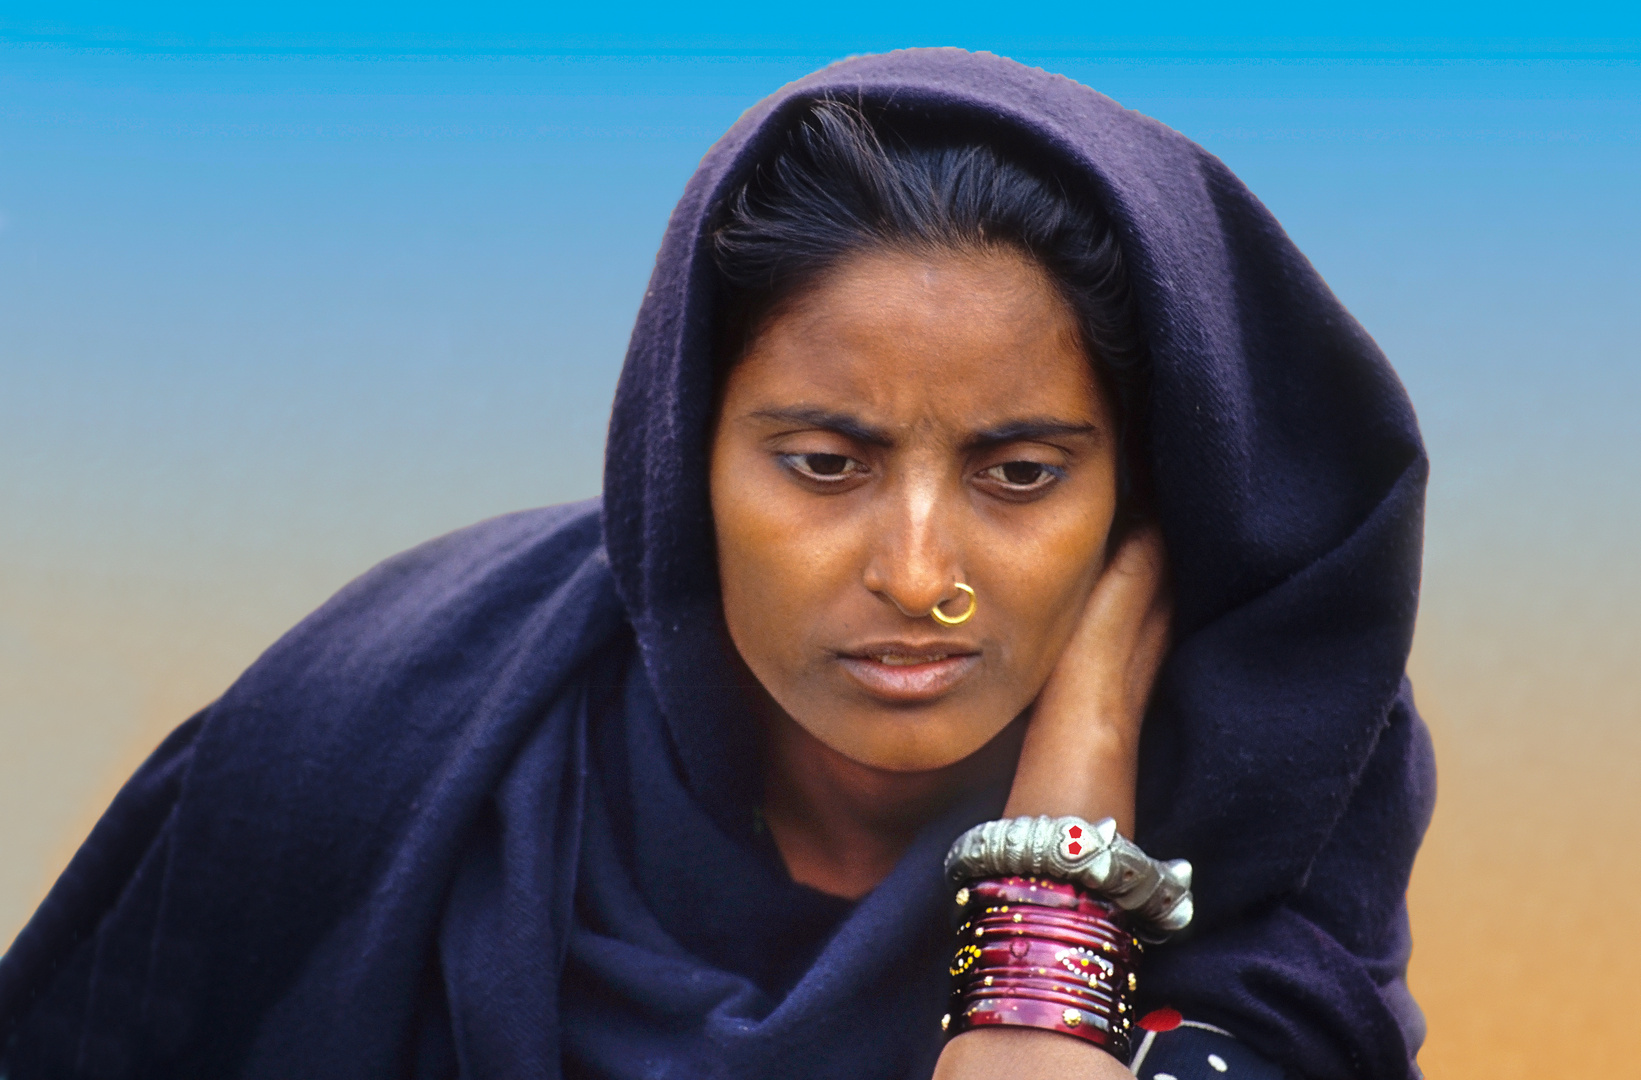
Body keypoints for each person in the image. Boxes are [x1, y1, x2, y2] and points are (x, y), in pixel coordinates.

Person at [0, 49, 1434, 1080]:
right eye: (824, 464)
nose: (917, 570)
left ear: (1145, 496)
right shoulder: (364, 746)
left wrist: (1053, 887)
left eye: (1020, 474)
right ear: (678, 459)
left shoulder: (1263, 850)